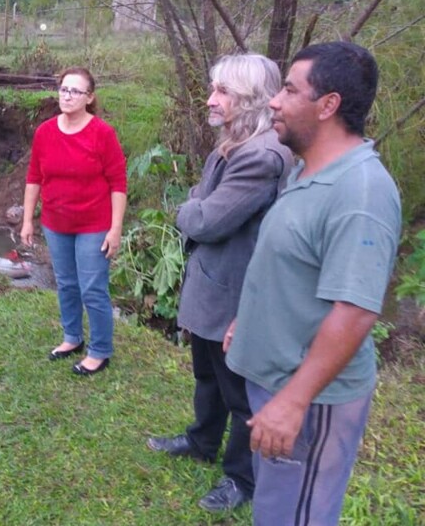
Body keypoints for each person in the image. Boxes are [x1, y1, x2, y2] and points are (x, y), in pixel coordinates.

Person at [224, 42, 401, 525]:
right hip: (278, 383)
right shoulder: (309, 171)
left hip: (311, 401)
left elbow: (356, 310)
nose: (274, 101)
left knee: (296, 515)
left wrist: (294, 400)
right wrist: (250, 318)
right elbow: (295, 266)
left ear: (328, 105)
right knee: (276, 506)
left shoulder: (360, 192)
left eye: (289, 89)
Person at [146, 54, 293, 512]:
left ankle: (240, 479)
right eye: (213, 89)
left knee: (240, 396)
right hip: (211, 287)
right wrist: (198, 205)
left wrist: (189, 209)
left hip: (234, 297)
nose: (211, 100)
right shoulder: (232, 144)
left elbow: (204, 218)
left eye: (222, 92)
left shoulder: (261, 156)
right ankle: (201, 441)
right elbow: (204, 205)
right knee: (207, 375)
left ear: (251, 100)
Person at [20, 67, 127, 376]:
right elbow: (34, 177)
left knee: (92, 287)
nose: (67, 96)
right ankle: (72, 338)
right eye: (63, 89)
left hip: (94, 224)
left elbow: (118, 183)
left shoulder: (102, 134)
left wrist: (115, 229)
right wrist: (28, 220)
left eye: (75, 91)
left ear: (89, 98)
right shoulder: (45, 132)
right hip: (56, 222)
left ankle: (100, 350)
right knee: (66, 283)